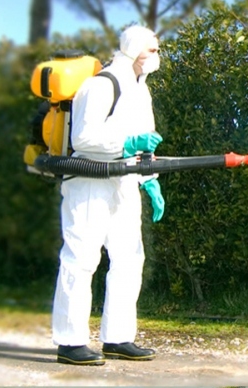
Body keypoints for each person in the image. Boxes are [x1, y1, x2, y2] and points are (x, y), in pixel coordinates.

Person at [51, 25, 166, 366]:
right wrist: (127, 145)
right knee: (82, 257)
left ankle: (118, 337)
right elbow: (84, 138)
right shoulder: (101, 85)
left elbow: (147, 140)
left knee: (130, 258)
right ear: (132, 51)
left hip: (125, 181)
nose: (156, 58)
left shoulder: (141, 90)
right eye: (152, 51)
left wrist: (151, 180)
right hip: (89, 181)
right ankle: (70, 342)